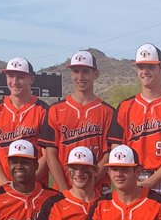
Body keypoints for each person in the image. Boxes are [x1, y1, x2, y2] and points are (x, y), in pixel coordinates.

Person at [113, 43, 161, 209]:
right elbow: (116, 151)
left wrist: (151, 182)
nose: (144, 71)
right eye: (141, 67)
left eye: (150, 66)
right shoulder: (125, 107)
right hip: (131, 180)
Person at [40, 50, 116, 191]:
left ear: (96, 74)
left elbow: (109, 154)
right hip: (64, 189)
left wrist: (88, 183)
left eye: (86, 71)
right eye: (76, 71)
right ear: (71, 74)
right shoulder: (55, 110)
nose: (80, 76)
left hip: (97, 189)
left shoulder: (108, 112)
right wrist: (64, 190)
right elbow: (50, 154)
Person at [0, 57, 49, 188]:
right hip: (3, 188)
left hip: (37, 187)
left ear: (31, 79)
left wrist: (25, 183)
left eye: (20, 76)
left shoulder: (44, 110)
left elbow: (48, 156)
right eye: (10, 76)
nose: (14, 81)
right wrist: (3, 182)